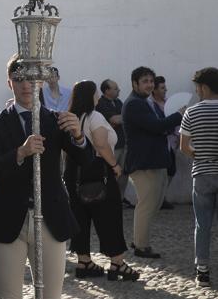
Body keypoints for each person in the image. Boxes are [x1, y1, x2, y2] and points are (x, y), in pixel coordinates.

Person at [0, 54, 91, 298]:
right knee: (8, 294)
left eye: (31, 79)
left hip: (50, 218)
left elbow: (86, 161)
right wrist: (20, 152)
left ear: (39, 82)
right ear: (10, 82)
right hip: (7, 218)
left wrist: (79, 136)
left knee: (50, 295)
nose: (26, 85)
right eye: (19, 79)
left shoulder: (55, 120)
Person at [65, 81, 139, 281]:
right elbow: (100, 144)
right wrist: (114, 165)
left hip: (75, 173)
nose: (98, 95)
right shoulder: (95, 116)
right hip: (98, 170)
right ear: (91, 95)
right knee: (109, 216)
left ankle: (84, 262)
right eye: (96, 91)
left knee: (80, 217)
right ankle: (117, 263)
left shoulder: (73, 117)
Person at [122, 66, 183, 259]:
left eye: (151, 81)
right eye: (145, 81)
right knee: (147, 205)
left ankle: (139, 240)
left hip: (153, 160)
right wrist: (179, 115)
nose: (149, 85)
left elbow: (158, 127)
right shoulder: (134, 104)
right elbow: (157, 126)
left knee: (153, 204)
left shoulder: (144, 102)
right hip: (144, 163)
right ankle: (141, 246)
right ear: (134, 84)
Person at [180, 67, 218, 288]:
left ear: (203, 87)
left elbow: (185, 147)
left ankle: (202, 271)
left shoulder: (191, 112)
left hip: (202, 174)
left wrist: (201, 155)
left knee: (202, 225)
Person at [96, 79, 130, 205]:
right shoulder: (101, 103)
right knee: (112, 173)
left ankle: (120, 199)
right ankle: (109, 199)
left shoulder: (118, 102)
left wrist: (123, 118)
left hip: (123, 143)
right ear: (107, 90)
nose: (119, 90)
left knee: (124, 174)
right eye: (115, 88)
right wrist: (128, 116)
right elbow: (114, 119)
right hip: (111, 146)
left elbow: (120, 119)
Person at [151, 76, 178, 210]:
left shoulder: (168, 103)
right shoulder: (150, 104)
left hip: (170, 143)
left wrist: (178, 136)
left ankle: (162, 197)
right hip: (158, 143)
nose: (165, 90)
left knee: (171, 170)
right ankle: (158, 199)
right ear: (154, 90)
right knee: (161, 172)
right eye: (162, 88)